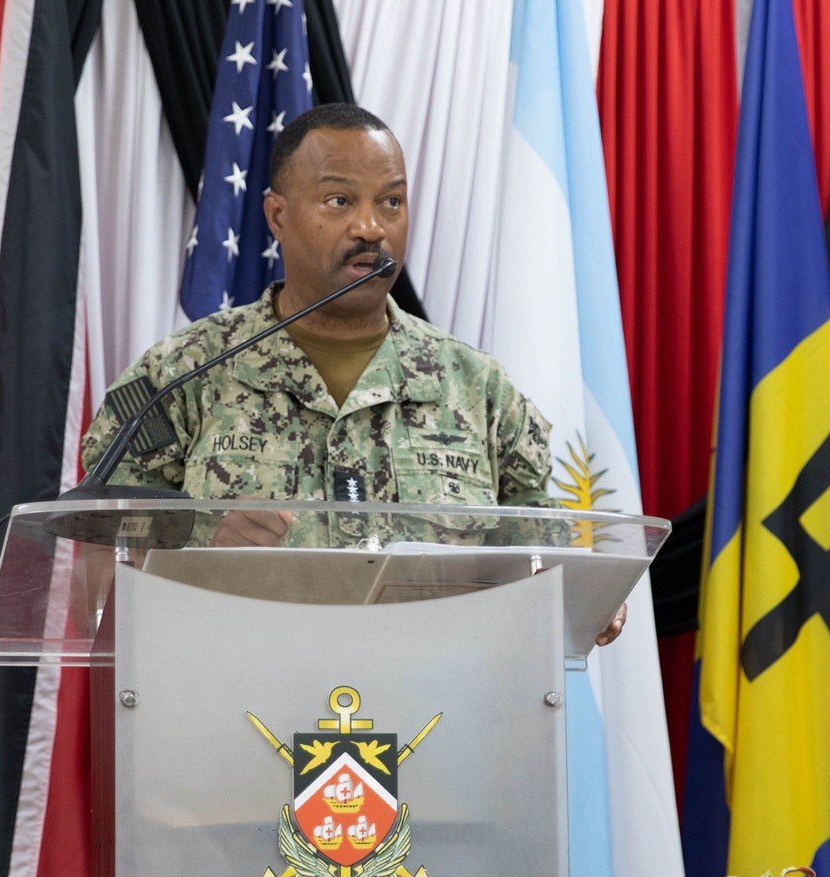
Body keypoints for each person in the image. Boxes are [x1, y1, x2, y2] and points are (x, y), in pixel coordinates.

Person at [82, 103, 625, 645]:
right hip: (237, 700)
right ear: (277, 215)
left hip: (437, 711)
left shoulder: (478, 387)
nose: (371, 228)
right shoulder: (180, 375)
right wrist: (206, 565)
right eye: (339, 201)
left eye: (391, 202)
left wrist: (584, 593)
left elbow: (542, 557)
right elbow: (104, 591)